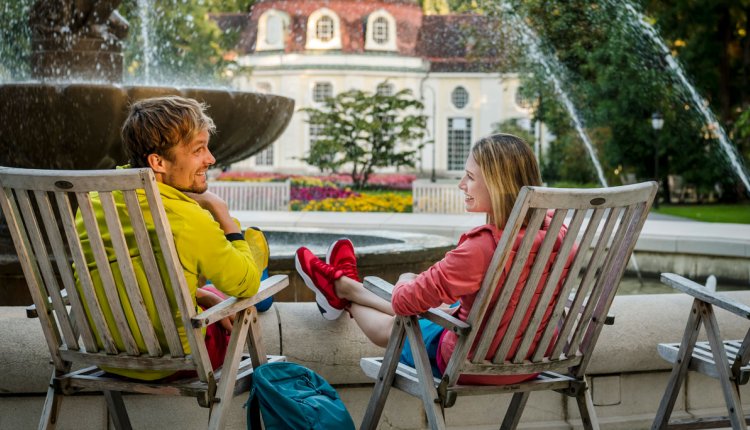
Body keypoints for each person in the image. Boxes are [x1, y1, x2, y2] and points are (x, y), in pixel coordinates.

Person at [295, 133, 572, 385]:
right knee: (443, 304)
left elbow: (404, 302)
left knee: (401, 323)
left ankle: (344, 291)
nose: (462, 184)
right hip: (533, 361)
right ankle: (344, 286)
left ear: (498, 185)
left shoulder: (483, 247)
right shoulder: (561, 235)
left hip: (469, 363)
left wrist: (406, 279)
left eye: (470, 177)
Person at [75, 96, 266, 380]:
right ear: (158, 162)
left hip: (109, 357)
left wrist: (201, 295)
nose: (211, 159)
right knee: (259, 295)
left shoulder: (93, 203)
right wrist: (222, 214)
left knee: (212, 291)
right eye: (199, 150)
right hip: (179, 361)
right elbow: (249, 284)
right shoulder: (188, 219)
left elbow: (124, 274)